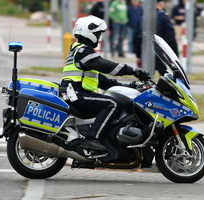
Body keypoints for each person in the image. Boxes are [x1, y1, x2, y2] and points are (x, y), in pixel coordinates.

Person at [61, 15, 149, 152]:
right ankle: (91, 139)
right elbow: (107, 66)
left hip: (76, 93)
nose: (99, 37)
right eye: (98, 34)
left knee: (114, 99)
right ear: (89, 33)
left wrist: (130, 86)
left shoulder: (79, 51)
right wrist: (134, 71)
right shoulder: (83, 51)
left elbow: (105, 82)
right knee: (112, 104)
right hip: (76, 94)